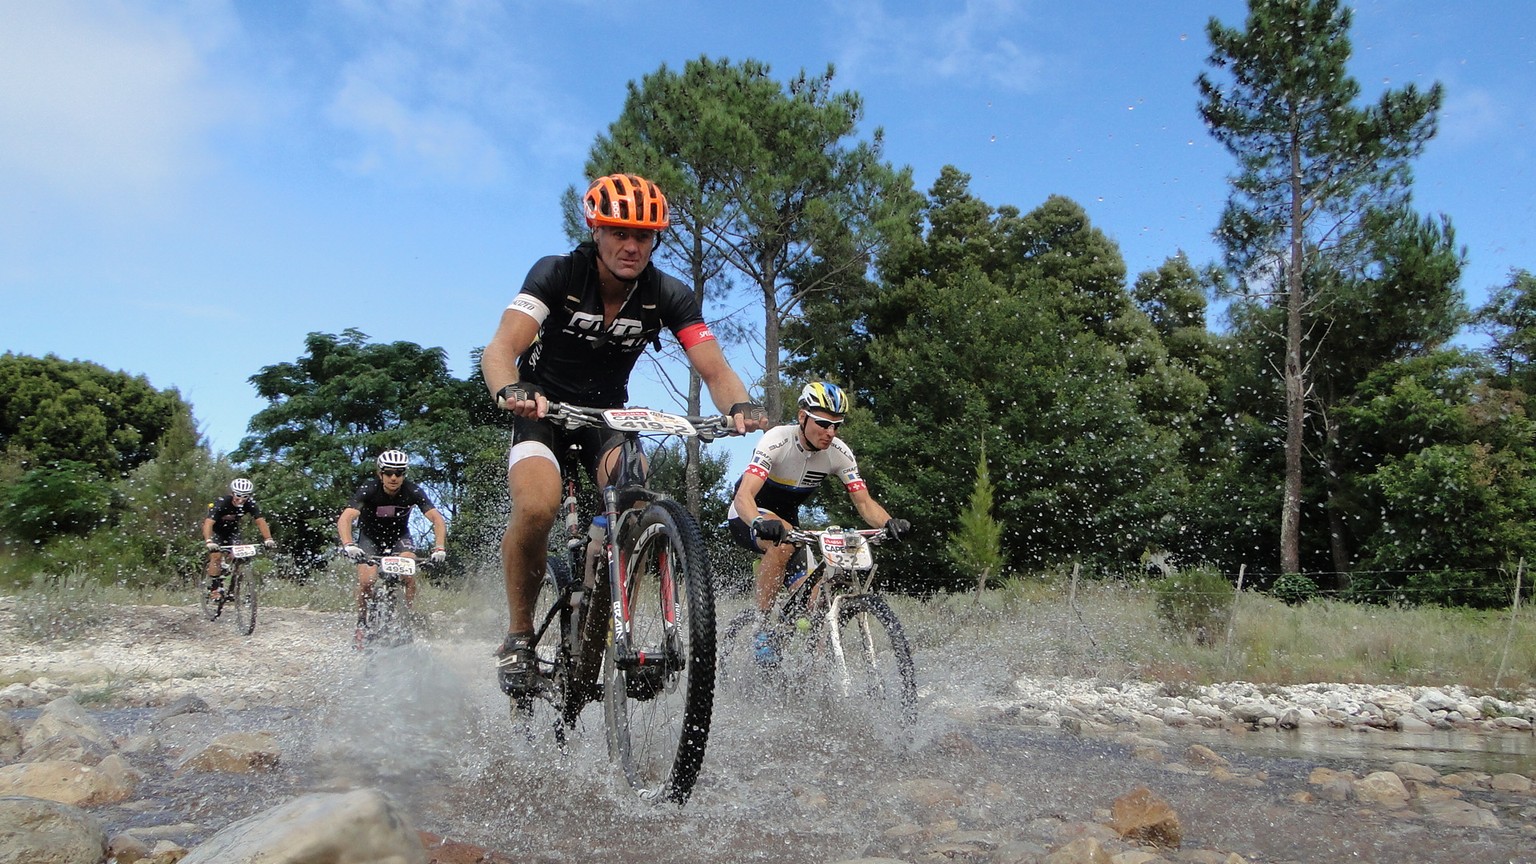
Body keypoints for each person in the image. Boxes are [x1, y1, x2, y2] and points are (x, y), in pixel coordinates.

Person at [480, 172, 769, 696]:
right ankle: (519, 633)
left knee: (636, 500)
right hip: (542, 409)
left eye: (644, 235)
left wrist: (740, 406)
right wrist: (510, 389)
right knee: (539, 507)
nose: (631, 246)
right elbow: (501, 350)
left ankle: (621, 629)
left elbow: (715, 369)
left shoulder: (667, 294)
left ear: (656, 239)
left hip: (606, 418)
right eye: (619, 232)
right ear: (596, 230)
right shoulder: (557, 274)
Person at [727, 381, 910, 665]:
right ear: (802, 417)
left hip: (790, 524)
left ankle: (812, 670)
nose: (830, 433)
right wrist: (758, 521)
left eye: (837, 425)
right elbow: (743, 497)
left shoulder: (839, 452)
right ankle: (761, 628)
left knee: (816, 599)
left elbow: (864, 502)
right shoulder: (777, 440)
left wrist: (888, 523)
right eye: (823, 424)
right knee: (782, 544)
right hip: (749, 514)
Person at [337, 450, 448, 649]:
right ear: (380, 474)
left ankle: (408, 616)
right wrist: (348, 545)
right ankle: (361, 624)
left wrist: (439, 547)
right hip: (370, 539)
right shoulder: (369, 489)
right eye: (389, 473)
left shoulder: (412, 491)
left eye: (399, 473)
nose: (394, 477)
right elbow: (345, 518)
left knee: (408, 574)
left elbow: (437, 519)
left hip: (399, 538)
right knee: (367, 582)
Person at [202, 478, 276, 600]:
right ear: (232, 493)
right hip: (216, 530)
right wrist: (209, 541)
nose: (241, 500)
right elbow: (208, 523)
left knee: (239, 556)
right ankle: (215, 589)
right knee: (216, 556)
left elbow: (260, 521)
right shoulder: (222, 503)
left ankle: (233, 588)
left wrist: (268, 538)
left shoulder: (250, 504)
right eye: (238, 496)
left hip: (232, 531)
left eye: (245, 496)